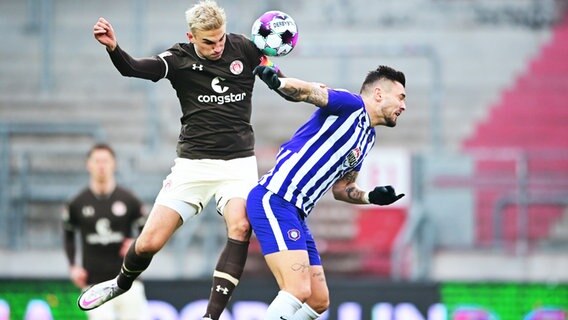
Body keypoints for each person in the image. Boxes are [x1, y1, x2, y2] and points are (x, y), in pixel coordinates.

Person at [78, 1, 289, 319]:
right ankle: (121, 284)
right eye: (208, 41)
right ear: (191, 36)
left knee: (241, 226)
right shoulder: (178, 59)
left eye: (220, 38)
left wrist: (275, 75)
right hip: (193, 164)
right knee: (148, 242)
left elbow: (279, 80)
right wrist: (114, 48)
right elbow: (132, 68)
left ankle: (210, 315)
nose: (217, 47)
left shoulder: (245, 48)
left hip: (238, 163)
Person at [248, 65, 407, 319]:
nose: (403, 106)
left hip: (297, 213)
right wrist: (279, 83)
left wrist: (371, 197)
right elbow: (308, 92)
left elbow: (343, 189)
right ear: (379, 94)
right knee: (297, 289)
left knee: (318, 301)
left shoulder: (368, 137)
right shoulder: (350, 104)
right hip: (276, 198)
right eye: (401, 97)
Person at [63, 143, 149, 320]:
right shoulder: (77, 203)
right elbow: (68, 236)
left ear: (114, 164)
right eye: (97, 161)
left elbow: (148, 231)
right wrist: (73, 266)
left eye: (105, 161)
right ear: (89, 165)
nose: (101, 166)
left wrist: (136, 243)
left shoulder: (129, 199)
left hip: (128, 280)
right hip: (95, 282)